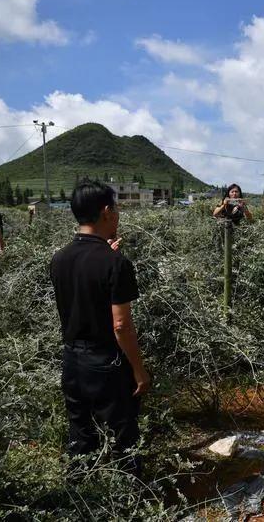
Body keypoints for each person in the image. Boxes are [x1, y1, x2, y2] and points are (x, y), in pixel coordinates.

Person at [50, 180, 151, 476]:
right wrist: (138, 370)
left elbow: (84, 281)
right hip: (106, 362)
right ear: (107, 211)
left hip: (71, 360)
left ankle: (82, 502)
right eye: (116, 208)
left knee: (81, 436)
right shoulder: (115, 263)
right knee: (124, 439)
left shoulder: (59, 258)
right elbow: (121, 326)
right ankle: (130, 500)